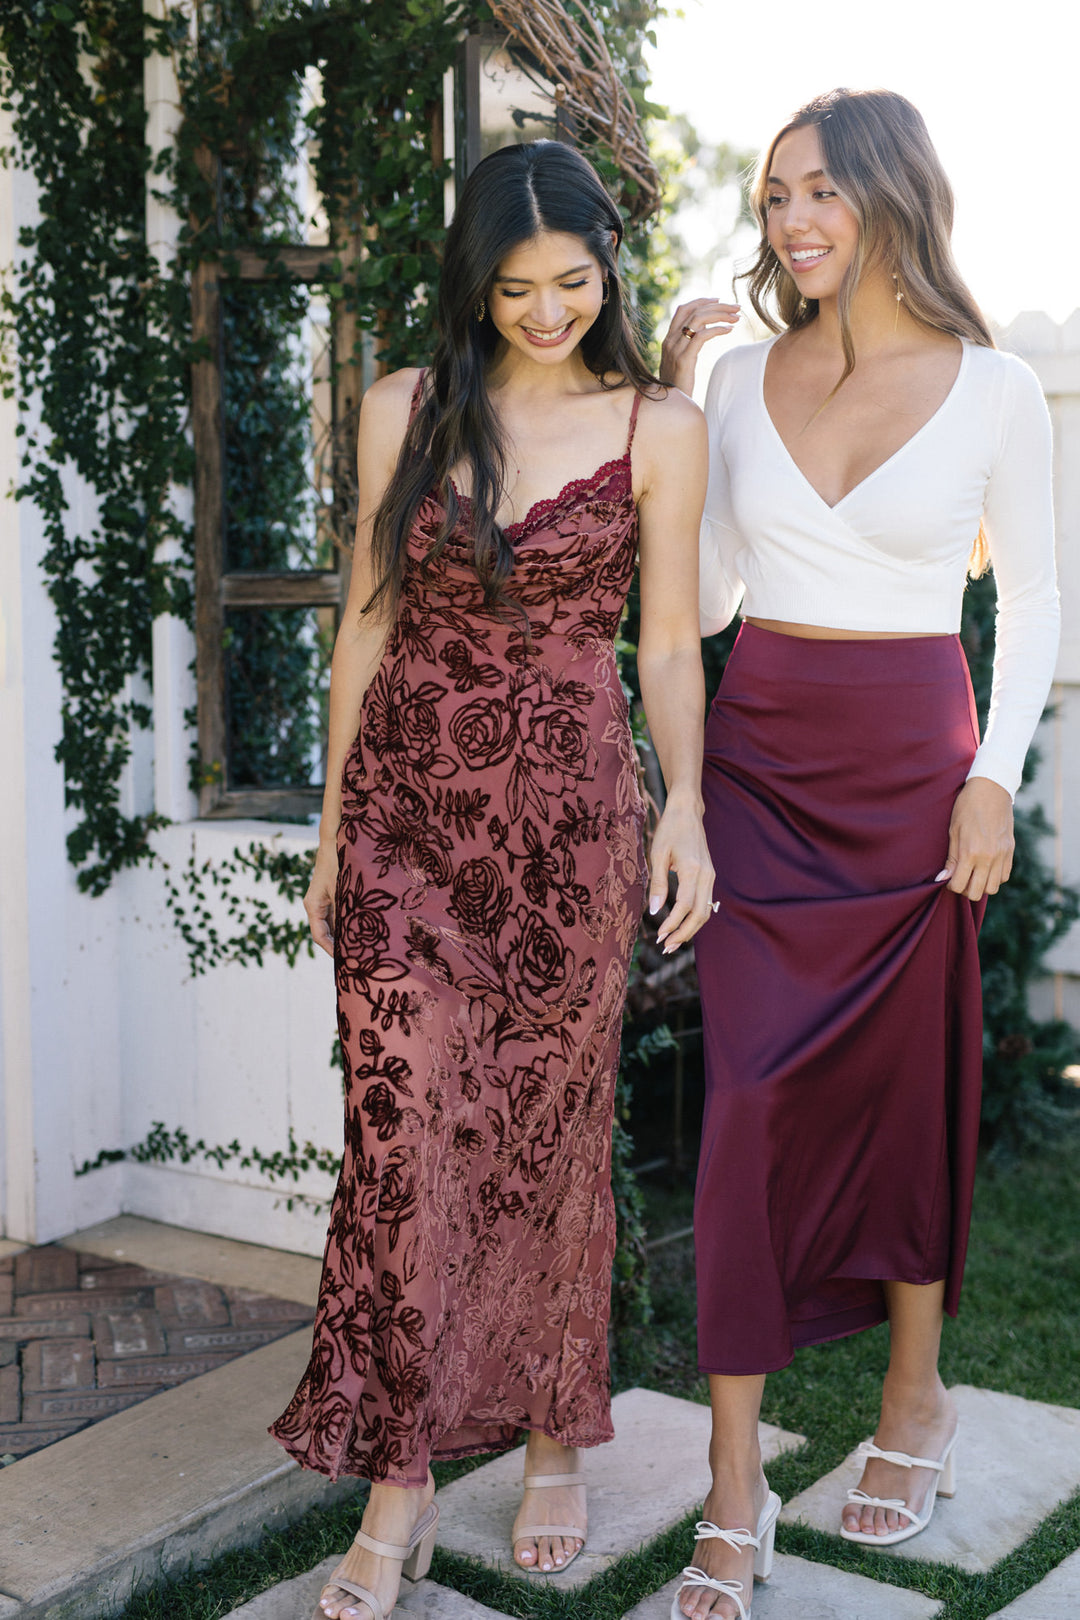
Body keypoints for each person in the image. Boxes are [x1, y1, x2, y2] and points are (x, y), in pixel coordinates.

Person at [269, 138, 715, 1620]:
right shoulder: (402, 406)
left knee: (544, 1134)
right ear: (473, 281)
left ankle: (546, 1438)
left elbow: (663, 641)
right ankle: (400, 1484)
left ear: (609, 270)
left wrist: (689, 808)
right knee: (402, 1143)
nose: (544, 309)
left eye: (573, 282)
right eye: (515, 286)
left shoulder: (657, 425)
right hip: (406, 820)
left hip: (568, 827)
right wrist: (332, 831)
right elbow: (364, 621)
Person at [659, 88, 1058, 1620]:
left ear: (893, 194)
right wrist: (693, 385)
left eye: (819, 190)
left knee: (904, 1098)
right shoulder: (743, 372)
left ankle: (914, 1402)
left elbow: (1029, 608)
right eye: (773, 200)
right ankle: (733, 1476)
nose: (793, 222)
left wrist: (989, 781)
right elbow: (698, 606)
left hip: (910, 775)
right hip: (764, 767)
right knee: (749, 1105)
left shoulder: (996, 388)